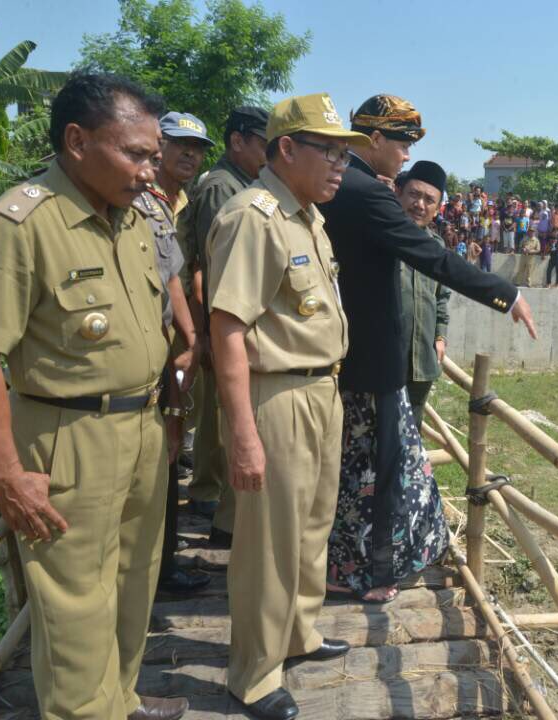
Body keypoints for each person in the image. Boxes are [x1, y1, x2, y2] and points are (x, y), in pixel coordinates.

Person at [0, 71, 189, 720]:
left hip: (143, 430)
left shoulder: (134, 219)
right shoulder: (24, 222)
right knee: (75, 610)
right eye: (135, 153)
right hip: (65, 440)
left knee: (134, 588)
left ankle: (119, 701)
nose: (149, 168)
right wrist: (7, 473)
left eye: (154, 155)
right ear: (76, 140)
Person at [318, 94, 536, 604]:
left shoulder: (340, 185)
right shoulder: (367, 193)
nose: (404, 157)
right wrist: (506, 295)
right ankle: (365, 573)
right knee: (375, 475)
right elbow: (432, 257)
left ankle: (347, 564)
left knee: (360, 469)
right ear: (374, 140)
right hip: (371, 360)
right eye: (402, 144)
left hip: (352, 353)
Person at [206, 93, 368, 720]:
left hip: (321, 388)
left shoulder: (307, 217)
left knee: (310, 525)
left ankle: (298, 633)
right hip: (276, 394)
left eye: (345, 152)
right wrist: (242, 432)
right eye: (328, 150)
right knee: (268, 542)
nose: (339, 164)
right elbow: (227, 327)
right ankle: (252, 674)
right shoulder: (255, 217)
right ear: (287, 150)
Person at [179, 105, 269, 547]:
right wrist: (216, 333)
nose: (271, 152)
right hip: (220, 315)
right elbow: (215, 267)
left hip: (226, 317)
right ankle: (206, 492)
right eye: (263, 143)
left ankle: (211, 493)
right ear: (239, 141)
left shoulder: (246, 184)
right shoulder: (221, 188)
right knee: (220, 415)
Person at [134, 110, 214, 596]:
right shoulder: (142, 200)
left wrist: (192, 337)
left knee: (171, 435)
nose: (190, 154)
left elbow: (185, 275)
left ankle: (163, 562)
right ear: (156, 145)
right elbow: (165, 280)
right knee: (159, 447)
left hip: (174, 342)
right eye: (180, 144)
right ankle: (156, 568)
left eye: (197, 147)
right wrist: (188, 337)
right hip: (151, 341)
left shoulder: (181, 201)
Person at [395, 162, 452, 429]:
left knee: (411, 433)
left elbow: (442, 297)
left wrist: (440, 334)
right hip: (385, 359)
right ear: (399, 194)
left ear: (438, 208)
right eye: (414, 195)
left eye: (429, 200)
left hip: (421, 361)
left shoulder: (436, 246)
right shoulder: (381, 237)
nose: (420, 204)